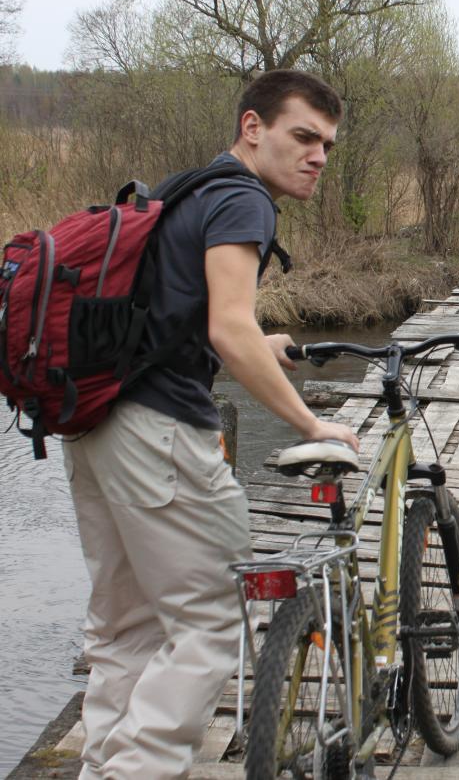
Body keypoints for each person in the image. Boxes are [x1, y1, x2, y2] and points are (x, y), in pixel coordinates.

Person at [62, 69, 360, 779]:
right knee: (208, 623)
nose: (318, 155)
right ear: (252, 128)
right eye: (303, 136)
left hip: (96, 424)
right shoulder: (244, 201)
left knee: (125, 630)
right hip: (161, 436)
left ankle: (103, 768)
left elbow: (179, 317)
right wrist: (310, 422)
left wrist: (270, 345)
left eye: (327, 144)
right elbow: (229, 327)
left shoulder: (183, 186)